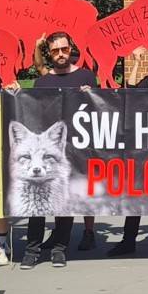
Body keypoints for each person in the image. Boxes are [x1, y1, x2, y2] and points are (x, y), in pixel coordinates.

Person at [26, 33, 99, 266]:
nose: (60, 54)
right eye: (55, 51)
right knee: (37, 200)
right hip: (44, 153)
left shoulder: (86, 76)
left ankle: (60, 247)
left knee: (65, 201)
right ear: (49, 53)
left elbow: (100, 111)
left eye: (64, 49)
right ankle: (32, 250)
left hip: (75, 150)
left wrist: (92, 96)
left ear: (71, 48)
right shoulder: (42, 82)